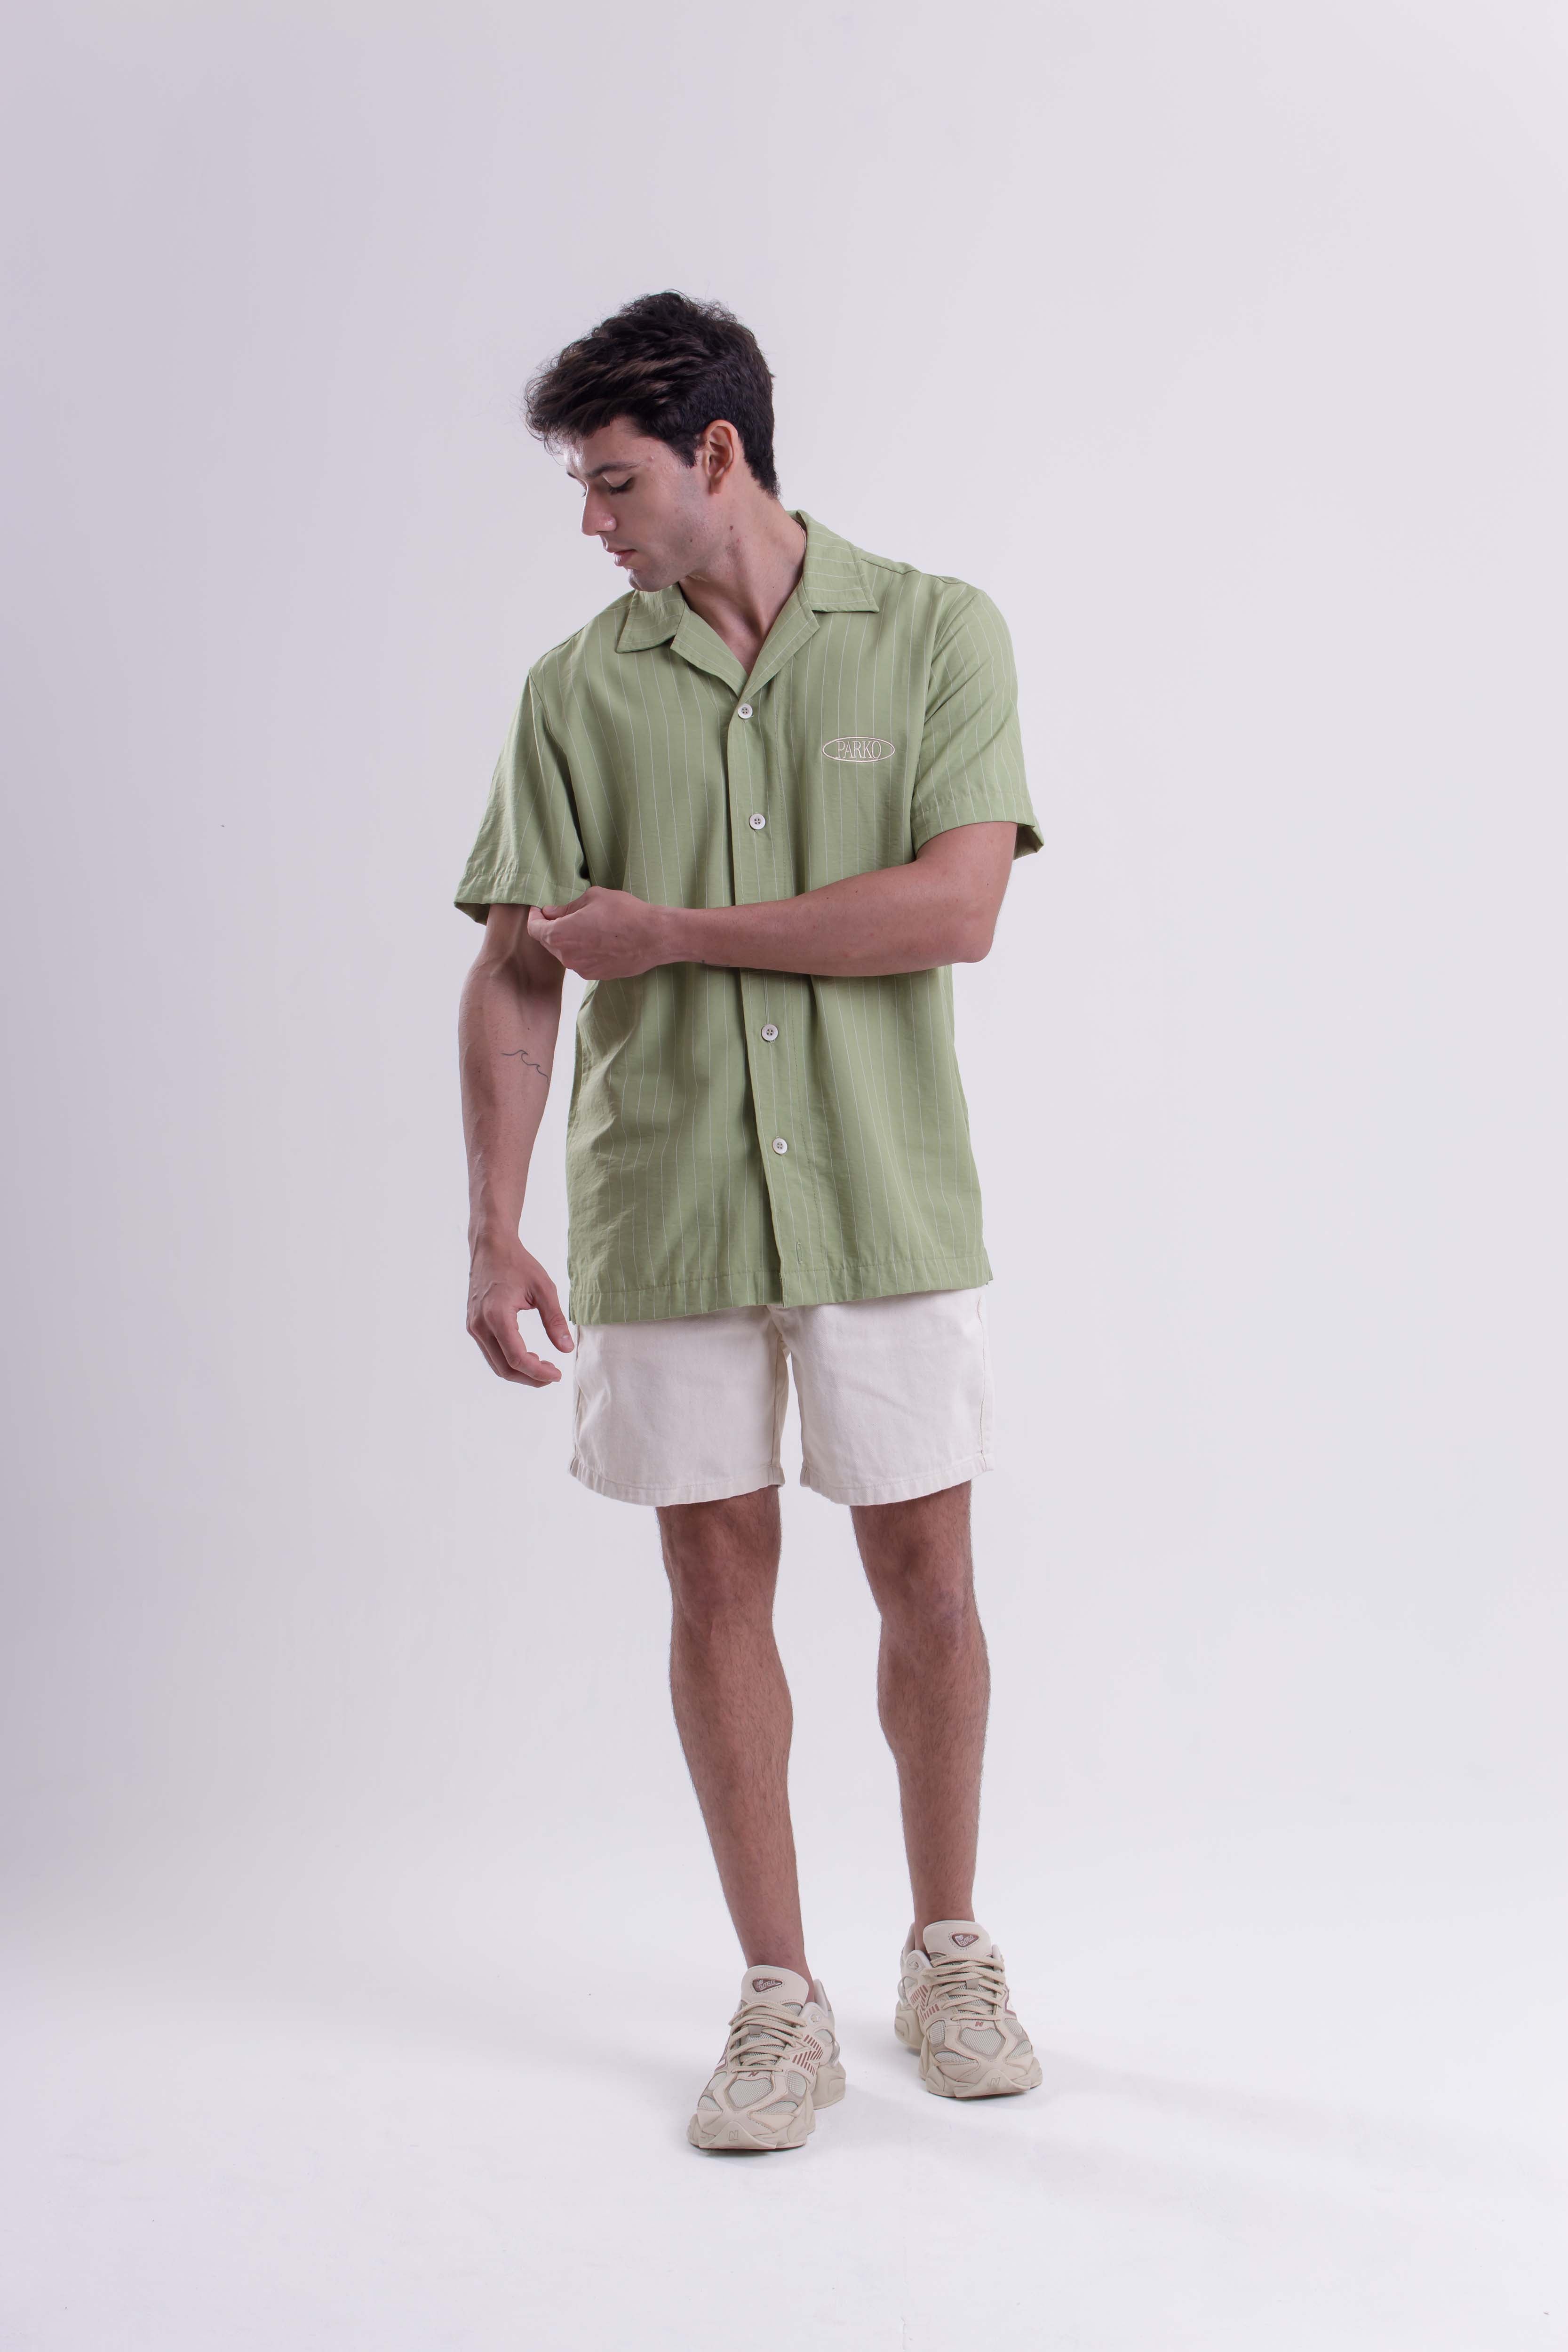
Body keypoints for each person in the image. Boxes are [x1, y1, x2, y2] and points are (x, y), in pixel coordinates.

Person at [454, 291, 1044, 2153]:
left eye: (614, 481)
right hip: (671, 1196)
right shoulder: (575, 690)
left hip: (885, 1191)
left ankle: (949, 1949)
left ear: (719, 453)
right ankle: (777, 1998)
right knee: (714, 1583)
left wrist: (677, 934)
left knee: (928, 1579)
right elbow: (518, 969)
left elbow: (954, 909)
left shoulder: (937, 630)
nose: (591, 521)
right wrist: (490, 1224)